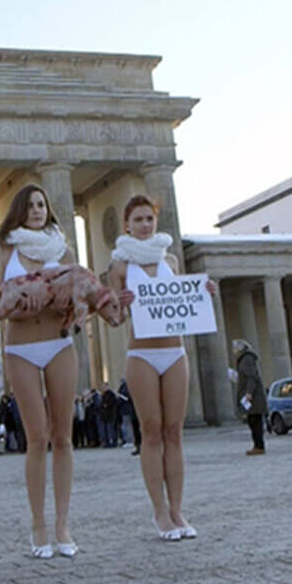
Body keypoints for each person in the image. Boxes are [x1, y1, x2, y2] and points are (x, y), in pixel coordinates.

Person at [108, 194, 215, 541]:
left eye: (149, 219)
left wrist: (203, 293)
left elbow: (183, 300)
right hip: (141, 355)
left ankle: (178, 510)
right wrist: (119, 304)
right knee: (151, 431)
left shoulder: (170, 258)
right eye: (137, 219)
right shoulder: (120, 266)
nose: (144, 224)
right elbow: (114, 318)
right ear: (127, 225)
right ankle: (159, 512)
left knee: (174, 432)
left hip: (174, 353)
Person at [0, 184, 81, 558]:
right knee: (37, 437)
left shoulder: (64, 250)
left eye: (43, 204)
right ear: (19, 211)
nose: (38, 210)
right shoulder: (3, 251)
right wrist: (30, 301)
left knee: (63, 436)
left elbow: (78, 296)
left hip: (59, 344)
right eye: (32, 205)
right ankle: (38, 525)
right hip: (21, 348)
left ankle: (63, 525)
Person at [233, 339, 268, 456]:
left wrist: (249, 393)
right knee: (253, 421)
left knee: (255, 421)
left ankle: (259, 446)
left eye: (234, 348)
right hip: (252, 396)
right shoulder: (244, 359)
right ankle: (257, 445)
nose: (233, 350)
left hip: (254, 397)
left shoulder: (247, 359)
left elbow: (252, 377)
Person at [118, 378, 141, 456]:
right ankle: (138, 446)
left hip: (135, 410)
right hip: (133, 410)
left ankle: (137, 445)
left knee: (134, 429)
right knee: (135, 429)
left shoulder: (128, 387)